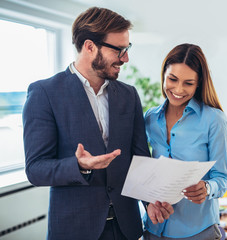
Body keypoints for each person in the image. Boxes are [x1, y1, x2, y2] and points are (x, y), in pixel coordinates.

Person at [23, 7, 172, 240]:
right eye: (120, 50)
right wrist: (80, 165)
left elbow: (140, 157)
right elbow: (35, 169)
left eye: (127, 49)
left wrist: (149, 200)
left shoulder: (129, 95)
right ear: (90, 46)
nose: (126, 58)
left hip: (126, 228)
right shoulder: (44, 93)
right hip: (75, 229)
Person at [142, 43, 227, 239]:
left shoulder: (214, 120)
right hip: (154, 229)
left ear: (198, 83)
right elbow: (143, 169)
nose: (178, 89)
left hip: (198, 231)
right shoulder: (150, 118)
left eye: (188, 83)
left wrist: (207, 189)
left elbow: (222, 178)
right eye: (172, 79)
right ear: (164, 74)